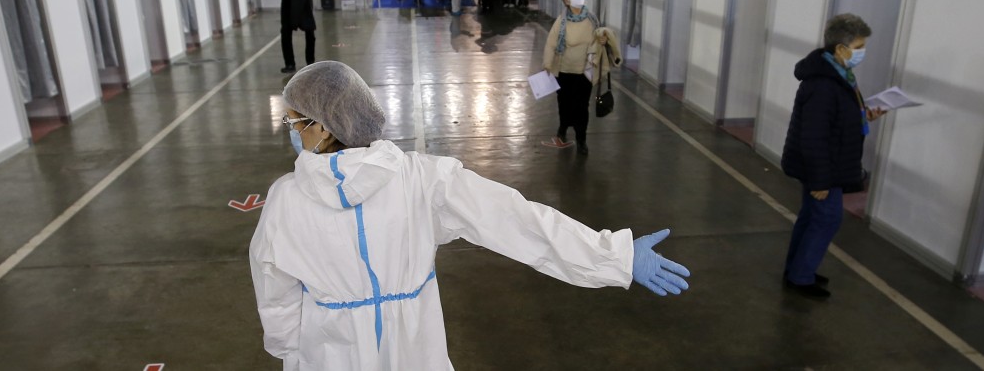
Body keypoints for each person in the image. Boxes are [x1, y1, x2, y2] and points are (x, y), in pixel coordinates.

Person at [251, 61, 691, 370]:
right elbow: (517, 221)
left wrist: (295, 352)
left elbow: (276, 295)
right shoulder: (423, 179)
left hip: (331, 353)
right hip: (415, 349)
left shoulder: (286, 201)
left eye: (293, 123)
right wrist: (614, 255)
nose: (290, 133)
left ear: (322, 126)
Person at [779, 14, 886, 299]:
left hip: (827, 164)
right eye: (859, 46)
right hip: (824, 168)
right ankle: (800, 277)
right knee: (827, 219)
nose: (862, 52)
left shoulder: (838, 75)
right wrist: (820, 181)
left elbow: (836, 120)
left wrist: (865, 115)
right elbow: (813, 137)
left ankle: (797, 270)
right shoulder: (824, 84)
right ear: (841, 49)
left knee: (812, 217)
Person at [542, 0, 620, 155]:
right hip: (564, 71)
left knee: (581, 106)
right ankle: (563, 127)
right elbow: (551, 44)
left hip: (584, 72)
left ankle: (581, 138)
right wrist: (547, 64)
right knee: (564, 103)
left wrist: (602, 40)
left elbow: (599, 38)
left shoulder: (591, 19)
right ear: (567, 1)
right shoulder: (561, 22)